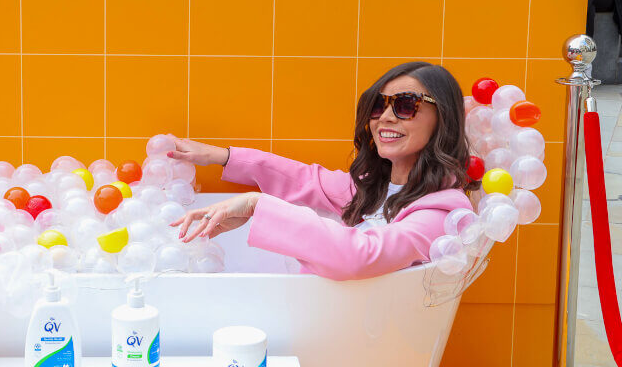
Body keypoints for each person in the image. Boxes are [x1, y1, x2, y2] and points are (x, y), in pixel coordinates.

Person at [169, 61, 478, 281]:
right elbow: (304, 179)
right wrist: (223, 156)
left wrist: (256, 205)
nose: (385, 117)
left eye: (405, 105)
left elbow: (360, 256)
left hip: (358, 342)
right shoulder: (374, 188)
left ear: (443, 118)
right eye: (377, 104)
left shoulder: (441, 214)